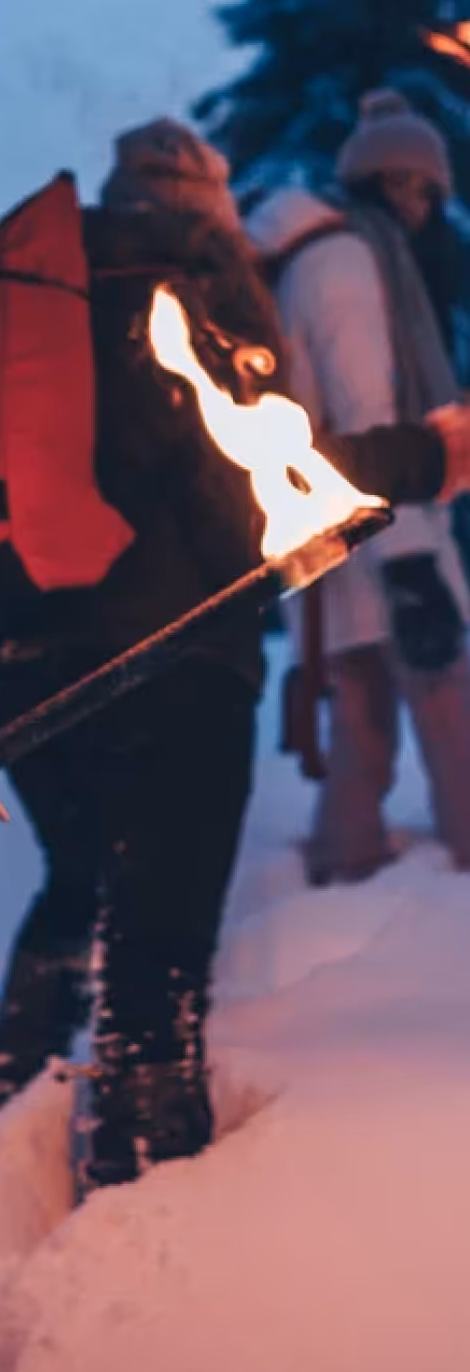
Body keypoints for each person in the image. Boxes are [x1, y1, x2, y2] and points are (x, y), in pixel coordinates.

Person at [0, 118, 467, 1187]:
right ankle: (143, 1189)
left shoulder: (34, 296)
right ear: (208, 200)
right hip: (168, 652)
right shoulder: (192, 277)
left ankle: (7, 1095)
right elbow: (266, 475)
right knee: (161, 930)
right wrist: (424, 455)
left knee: (75, 876)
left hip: (9, 654)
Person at [246, 89, 470, 886]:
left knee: (363, 718)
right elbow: (371, 420)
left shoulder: (335, 254)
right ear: (402, 184)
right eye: (429, 190)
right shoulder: (347, 261)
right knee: (451, 717)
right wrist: (413, 566)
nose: (432, 208)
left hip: (339, 535)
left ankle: (346, 870)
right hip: (380, 528)